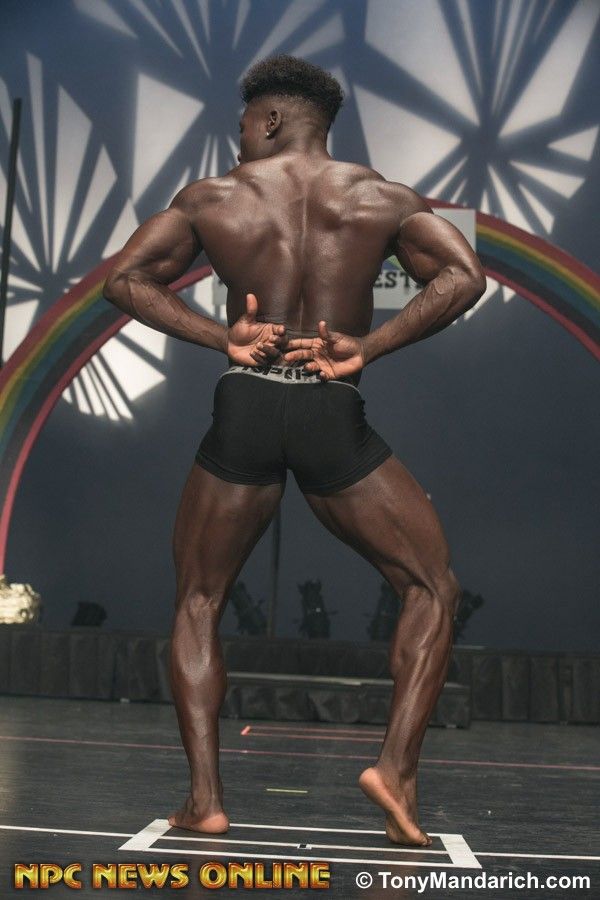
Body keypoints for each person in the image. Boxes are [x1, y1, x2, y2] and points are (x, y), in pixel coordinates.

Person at [103, 54, 486, 847]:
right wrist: (369, 346)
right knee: (431, 587)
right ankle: (396, 773)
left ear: (272, 118)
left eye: (244, 124)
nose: (239, 138)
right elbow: (463, 276)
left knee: (199, 599)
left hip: (244, 404)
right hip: (328, 408)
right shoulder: (381, 197)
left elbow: (126, 280)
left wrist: (223, 339)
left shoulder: (213, 197)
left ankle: (205, 800)